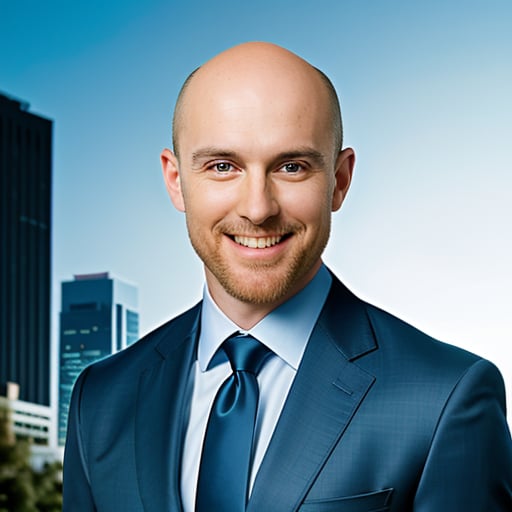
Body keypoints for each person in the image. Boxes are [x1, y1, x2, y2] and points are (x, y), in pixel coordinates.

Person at [62, 42, 512, 511]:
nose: (257, 208)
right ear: (176, 180)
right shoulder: (100, 399)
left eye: (291, 166)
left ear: (339, 181)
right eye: (222, 166)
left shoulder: (445, 398)